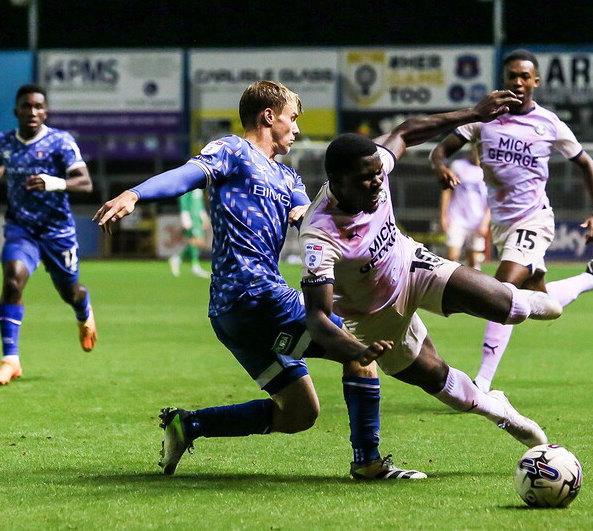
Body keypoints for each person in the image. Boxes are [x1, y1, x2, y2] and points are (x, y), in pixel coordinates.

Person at [93, 80, 424, 480]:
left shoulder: (289, 180)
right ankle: (368, 462)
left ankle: (189, 425)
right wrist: (135, 193)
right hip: (258, 296)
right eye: (293, 118)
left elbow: (315, 218)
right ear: (269, 116)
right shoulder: (234, 151)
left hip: (233, 316)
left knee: (300, 413)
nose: (297, 129)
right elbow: (187, 174)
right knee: (358, 354)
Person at [298, 90, 562, 457]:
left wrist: (474, 114)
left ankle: (539, 297)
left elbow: (406, 132)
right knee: (442, 383)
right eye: (366, 179)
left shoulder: (373, 168)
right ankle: (499, 410)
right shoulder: (319, 235)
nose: (377, 183)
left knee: (507, 305)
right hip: (375, 318)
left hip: (411, 266)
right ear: (337, 181)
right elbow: (318, 316)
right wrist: (358, 349)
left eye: (379, 174)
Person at [429, 49, 593, 394]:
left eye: (524, 77)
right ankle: (591, 279)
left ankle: (482, 384)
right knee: (542, 302)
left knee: (500, 292)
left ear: (535, 81)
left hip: (533, 219)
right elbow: (441, 149)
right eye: (512, 76)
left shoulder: (548, 124)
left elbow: (586, 164)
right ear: (504, 80)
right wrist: (440, 166)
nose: (518, 82)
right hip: (504, 225)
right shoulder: (484, 119)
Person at [0, 83, 98, 386]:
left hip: (57, 231)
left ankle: (83, 312)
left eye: (39, 106)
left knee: (70, 292)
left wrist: (53, 182)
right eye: (27, 106)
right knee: (12, 279)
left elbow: (85, 183)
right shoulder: (4, 141)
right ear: (16, 111)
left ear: (45, 111)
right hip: (21, 228)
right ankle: (10, 360)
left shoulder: (61, 141)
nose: (33, 111)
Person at [439, 143, 489, 270]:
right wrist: (443, 216)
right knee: (452, 256)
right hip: (457, 218)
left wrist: (485, 222)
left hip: (477, 221)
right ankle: (447, 285)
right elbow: (447, 190)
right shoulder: (458, 166)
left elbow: (492, 199)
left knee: (473, 260)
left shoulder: (489, 170)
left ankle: (473, 288)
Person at [168, 189, 211, 278]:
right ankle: (195, 266)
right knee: (195, 240)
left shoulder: (199, 187)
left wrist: (203, 217)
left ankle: (177, 258)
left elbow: (199, 202)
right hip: (191, 216)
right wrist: (185, 216)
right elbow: (183, 199)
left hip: (197, 217)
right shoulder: (190, 186)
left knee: (198, 242)